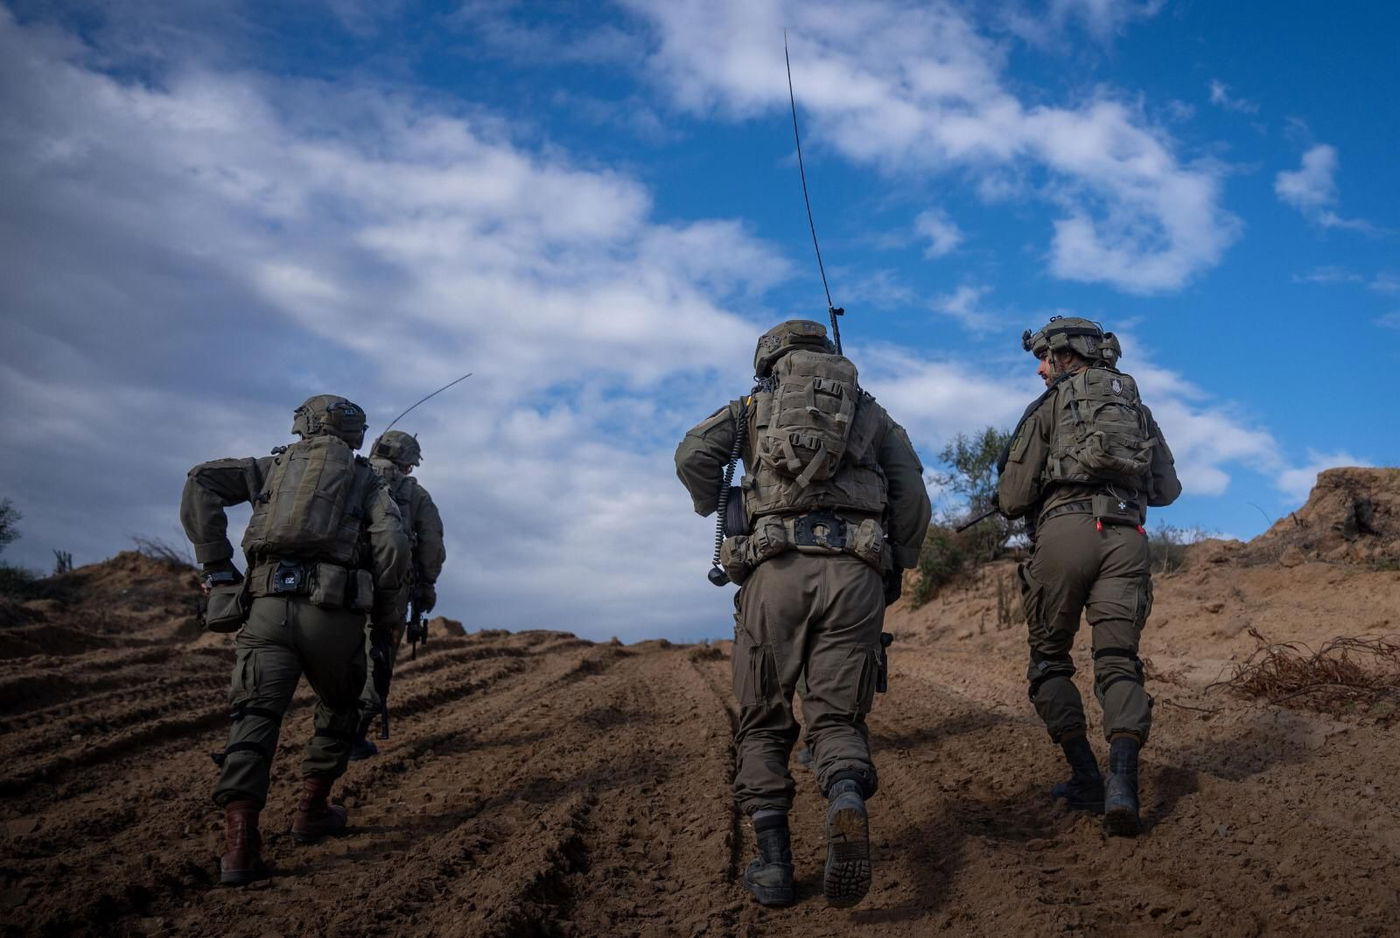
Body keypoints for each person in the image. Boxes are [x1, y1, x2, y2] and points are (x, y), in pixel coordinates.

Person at [675, 320, 931, 908]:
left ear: (768, 359)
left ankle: (774, 863)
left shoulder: (751, 407)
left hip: (776, 573)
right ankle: (843, 795)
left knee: (763, 719)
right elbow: (912, 492)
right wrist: (897, 565)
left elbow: (692, 456)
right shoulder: (871, 413)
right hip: (856, 574)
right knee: (837, 719)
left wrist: (715, 503)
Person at [181, 394, 411, 885]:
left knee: (254, 716)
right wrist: (388, 613)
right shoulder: (367, 479)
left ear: (303, 426)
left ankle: (240, 847)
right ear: (356, 434)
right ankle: (312, 809)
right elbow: (393, 542)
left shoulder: (267, 469)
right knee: (340, 710)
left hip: (263, 609)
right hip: (333, 614)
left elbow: (201, 479)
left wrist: (218, 567)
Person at [996, 317, 1181, 836]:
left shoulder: (1048, 406)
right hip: (1126, 536)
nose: (1039, 368)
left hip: (1065, 533)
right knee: (1118, 662)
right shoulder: (1136, 409)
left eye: (1043, 358)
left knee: (1050, 659)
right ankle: (1124, 784)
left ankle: (1086, 778)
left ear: (1064, 356)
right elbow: (1167, 490)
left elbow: (1012, 499)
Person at [351, 430, 446, 759]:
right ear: (407, 462)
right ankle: (355, 736)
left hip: (337, 582)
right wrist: (427, 585)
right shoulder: (414, 493)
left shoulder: (349, 475)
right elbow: (431, 543)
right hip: (390, 590)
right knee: (377, 656)